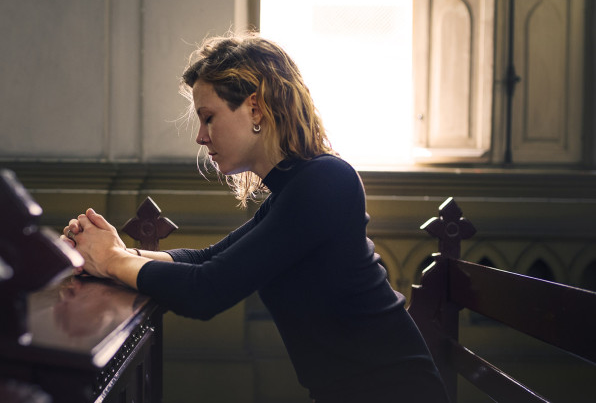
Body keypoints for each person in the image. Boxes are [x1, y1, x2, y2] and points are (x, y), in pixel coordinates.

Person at [62, 33, 450, 402]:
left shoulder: (326, 180)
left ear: (255, 108)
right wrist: (108, 252)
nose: (200, 136)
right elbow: (204, 259)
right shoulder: (296, 187)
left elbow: (206, 289)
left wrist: (112, 261)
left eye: (208, 117)